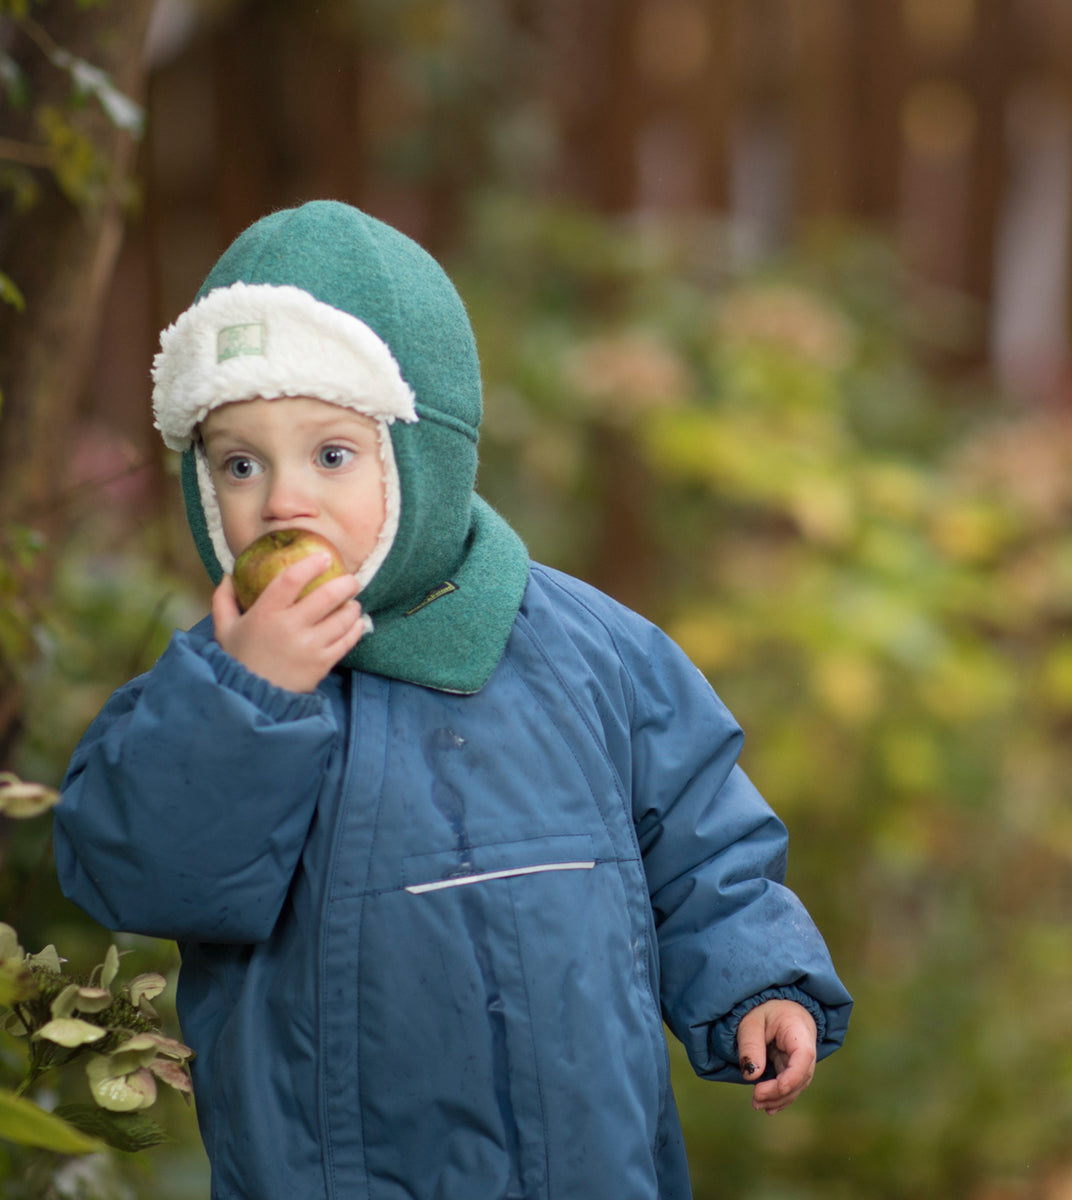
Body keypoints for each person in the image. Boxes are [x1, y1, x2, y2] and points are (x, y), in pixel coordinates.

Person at [54, 199, 852, 1200]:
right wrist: (247, 694)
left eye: (331, 454)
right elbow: (140, 868)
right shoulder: (210, 689)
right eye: (239, 463)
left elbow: (699, 839)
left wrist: (754, 976)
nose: (283, 501)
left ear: (423, 451)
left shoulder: (592, 653)